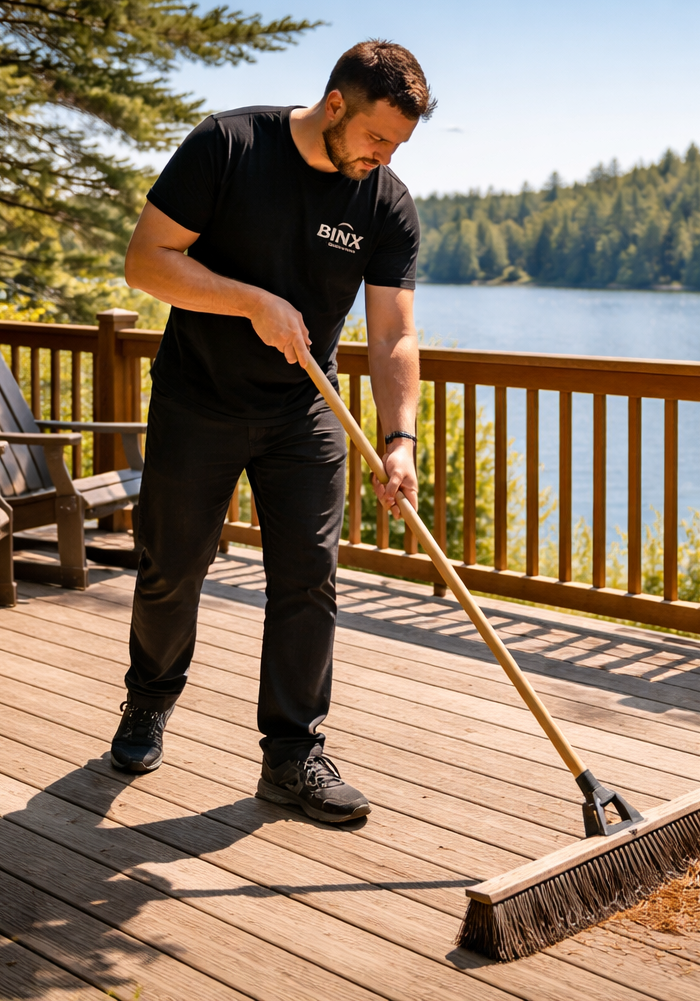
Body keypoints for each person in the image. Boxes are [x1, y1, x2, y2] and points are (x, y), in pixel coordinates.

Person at [111, 40, 433, 823]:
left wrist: (401, 439)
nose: (384, 157)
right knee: (171, 566)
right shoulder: (228, 145)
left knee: (308, 579)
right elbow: (146, 263)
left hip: (303, 410)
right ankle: (149, 700)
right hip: (200, 399)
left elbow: (392, 333)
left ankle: (291, 755)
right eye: (377, 138)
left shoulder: (385, 201)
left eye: (397, 146)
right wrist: (251, 301)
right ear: (335, 106)